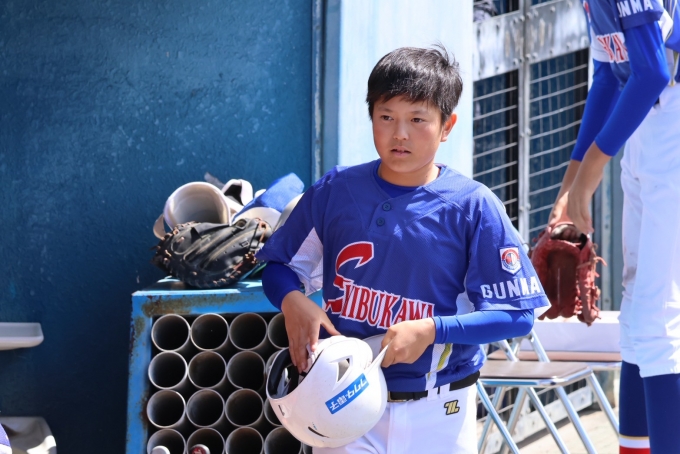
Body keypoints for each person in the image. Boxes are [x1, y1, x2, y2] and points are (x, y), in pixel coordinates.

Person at [257, 45, 549, 453]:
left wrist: (433, 330)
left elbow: (518, 317)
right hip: (343, 400)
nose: (400, 134)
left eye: (417, 119)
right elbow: (278, 266)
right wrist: (292, 301)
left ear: (447, 126)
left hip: (440, 407)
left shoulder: (473, 206)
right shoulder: (337, 190)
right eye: (386, 117)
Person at [548, 1, 680, 452]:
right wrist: (569, 188)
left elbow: (653, 73)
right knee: (637, 314)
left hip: (672, 114)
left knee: (660, 317)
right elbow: (608, 77)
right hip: (649, 121)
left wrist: (593, 169)